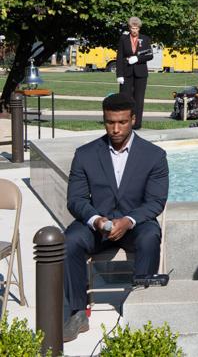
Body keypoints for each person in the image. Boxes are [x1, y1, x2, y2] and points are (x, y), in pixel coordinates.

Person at [62, 94, 168, 342]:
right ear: (104, 120)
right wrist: (96, 219)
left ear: (133, 119)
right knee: (69, 240)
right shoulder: (85, 154)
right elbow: (75, 199)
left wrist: (129, 221)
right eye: (110, 122)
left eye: (122, 122)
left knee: (151, 235)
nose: (116, 129)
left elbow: (155, 202)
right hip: (96, 226)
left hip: (135, 226)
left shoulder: (154, 156)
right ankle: (77, 313)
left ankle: (141, 306)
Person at [116, 16, 153, 130]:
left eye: (136, 28)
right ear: (129, 28)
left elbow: (150, 55)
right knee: (125, 99)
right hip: (126, 72)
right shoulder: (123, 39)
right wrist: (119, 75)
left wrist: (137, 59)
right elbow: (119, 57)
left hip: (140, 73)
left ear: (139, 28)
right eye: (132, 28)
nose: (134, 30)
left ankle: (136, 124)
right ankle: (124, 122)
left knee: (139, 99)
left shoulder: (145, 39)